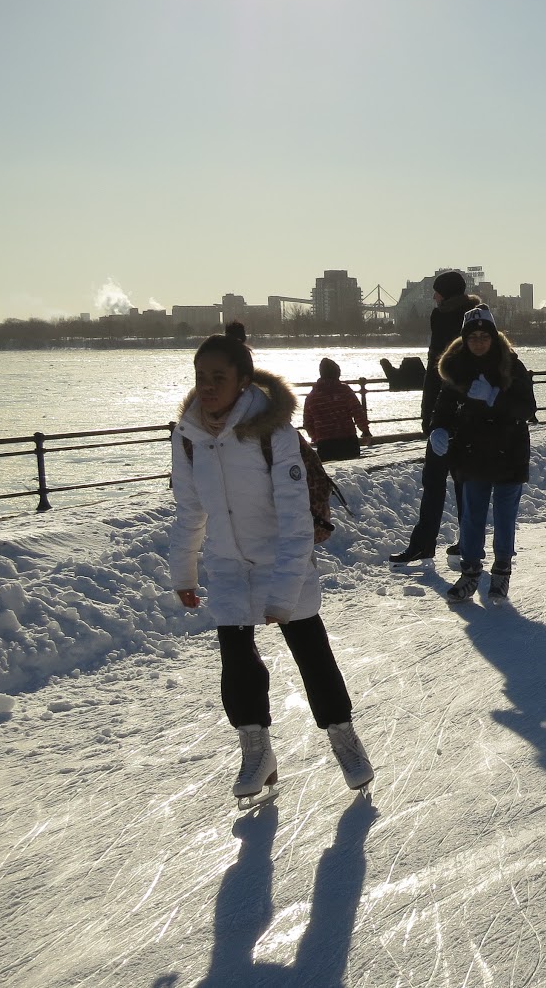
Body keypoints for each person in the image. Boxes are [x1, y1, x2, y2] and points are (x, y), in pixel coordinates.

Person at [170, 327, 374, 803]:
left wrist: (283, 590)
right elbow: (189, 511)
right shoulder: (188, 437)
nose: (207, 385)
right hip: (226, 567)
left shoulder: (274, 434)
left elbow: (296, 516)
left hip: (283, 560)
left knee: (312, 655)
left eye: (218, 376)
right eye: (201, 376)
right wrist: (184, 572)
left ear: (243, 380)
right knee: (237, 663)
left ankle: (343, 738)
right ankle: (257, 752)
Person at [431, 305, 538, 603]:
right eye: (473, 336)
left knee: (505, 515)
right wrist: (437, 429)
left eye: (484, 336)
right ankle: (470, 573)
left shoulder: (511, 366)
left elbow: (527, 409)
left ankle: (501, 573)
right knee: (472, 515)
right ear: (465, 340)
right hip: (472, 451)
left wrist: (494, 397)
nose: (479, 342)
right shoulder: (456, 368)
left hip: (509, 450)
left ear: (493, 337)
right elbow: (443, 407)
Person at [390, 270, 480, 564]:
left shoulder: (454, 318)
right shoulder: (463, 315)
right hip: (458, 410)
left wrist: (428, 414)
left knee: (439, 479)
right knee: (455, 478)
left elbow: (436, 370)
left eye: (437, 290)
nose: (433, 295)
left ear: (446, 293)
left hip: (451, 409)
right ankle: (463, 540)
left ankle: (427, 543)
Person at [302, 358, 371, 462]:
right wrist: (365, 431)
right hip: (348, 439)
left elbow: (307, 423)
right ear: (337, 373)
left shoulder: (312, 397)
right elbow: (357, 412)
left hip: (325, 443)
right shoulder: (345, 391)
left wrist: (316, 437)